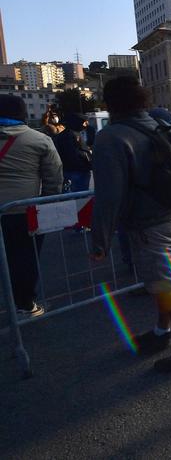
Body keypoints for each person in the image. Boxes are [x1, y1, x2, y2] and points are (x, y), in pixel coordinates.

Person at [91, 78, 171, 372]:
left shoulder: (112, 137)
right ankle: (161, 331)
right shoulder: (163, 125)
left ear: (110, 103)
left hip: (153, 225)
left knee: (169, 287)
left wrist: (100, 239)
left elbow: (109, 194)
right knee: (166, 284)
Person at [0, 95, 63, 318]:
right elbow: (54, 177)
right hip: (25, 210)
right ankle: (25, 304)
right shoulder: (39, 140)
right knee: (26, 258)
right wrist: (46, 204)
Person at [53, 112, 93, 192]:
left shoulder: (63, 135)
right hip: (78, 171)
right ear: (77, 123)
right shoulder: (72, 135)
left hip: (68, 171)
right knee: (80, 195)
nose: (85, 125)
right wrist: (88, 156)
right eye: (83, 122)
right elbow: (74, 153)